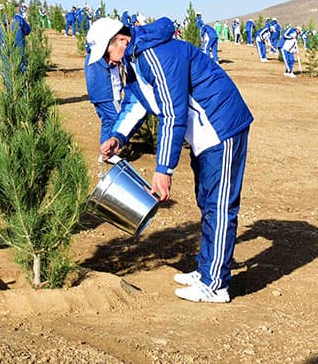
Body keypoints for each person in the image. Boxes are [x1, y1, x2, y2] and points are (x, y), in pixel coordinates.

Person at [92, 17, 253, 303]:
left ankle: (215, 285)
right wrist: (117, 136)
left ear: (120, 40)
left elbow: (172, 113)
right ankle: (207, 269)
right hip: (203, 133)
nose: (108, 62)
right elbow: (136, 101)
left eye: (107, 53)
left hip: (221, 127)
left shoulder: (155, 55)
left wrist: (164, 169)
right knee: (207, 201)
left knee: (219, 204)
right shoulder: (135, 60)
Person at [85, 19, 125, 144]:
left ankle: (105, 151)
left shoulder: (91, 54)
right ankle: (113, 148)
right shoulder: (103, 55)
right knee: (119, 120)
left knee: (107, 122)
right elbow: (111, 64)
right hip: (109, 94)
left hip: (96, 96)